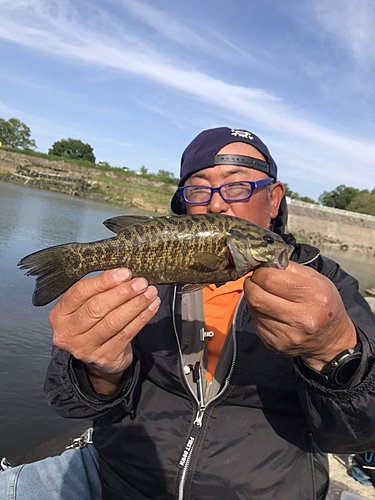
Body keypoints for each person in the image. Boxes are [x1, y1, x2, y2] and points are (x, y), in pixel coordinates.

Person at [1, 126, 375, 500]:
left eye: (237, 186)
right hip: (117, 478)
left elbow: (359, 434)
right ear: (183, 201)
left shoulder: (328, 286)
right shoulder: (140, 286)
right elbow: (66, 401)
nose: (216, 204)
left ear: (274, 199)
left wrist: (335, 350)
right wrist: (97, 370)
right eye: (198, 188)